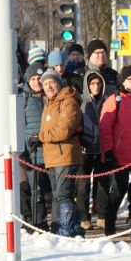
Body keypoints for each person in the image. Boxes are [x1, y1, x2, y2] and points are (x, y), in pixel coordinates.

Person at [99, 66, 131, 239]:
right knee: (118, 191)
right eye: (130, 79)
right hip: (120, 156)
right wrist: (108, 150)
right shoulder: (115, 100)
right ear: (123, 81)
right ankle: (109, 221)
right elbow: (105, 128)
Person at [38, 69, 85, 237]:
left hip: (66, 155)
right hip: (52, 157)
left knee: (63, 195)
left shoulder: (69, 101)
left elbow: (64, 129)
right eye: (45, 83)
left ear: (59, 82)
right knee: (58, 196)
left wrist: (41, 137)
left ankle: (67, 230)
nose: (49, 86)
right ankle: (65, 227)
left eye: (52, 82)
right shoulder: (49, 103)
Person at [21, 64, 51, 231]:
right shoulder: (24, 98)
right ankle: (39, 225)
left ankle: (56, 224)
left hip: (51, 152)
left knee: (52, 193)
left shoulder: (50, 95)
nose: (37, 82)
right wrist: (23, 152)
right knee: (36, 192)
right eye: (33, 79)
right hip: (32, 154)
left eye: (39, 79)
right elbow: (19, 126)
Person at [76, 70, 107, 231]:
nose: (96, 86)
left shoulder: (106, 101)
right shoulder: (81, 102)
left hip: (101, 147)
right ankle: (84, 217)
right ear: (87, 86)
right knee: (83, 185)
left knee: (102, 184)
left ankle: (102, 216)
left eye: (98, 83)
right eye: (93, 83)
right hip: (84, 149)